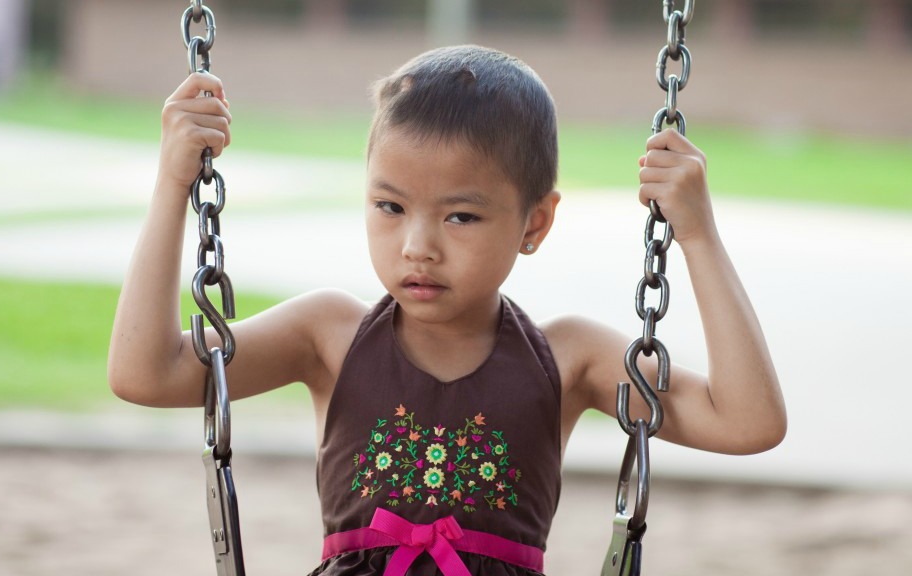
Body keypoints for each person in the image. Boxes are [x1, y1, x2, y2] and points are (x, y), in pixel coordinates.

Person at [108, 45, 786, 575]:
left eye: (461, 215)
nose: (418, 247)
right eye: (389, 206)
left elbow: (747, 421)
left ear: (535, 223)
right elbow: (147, 373)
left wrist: (696, 234)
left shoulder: (569, 359)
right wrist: (173, 184)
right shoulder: (329, 336)